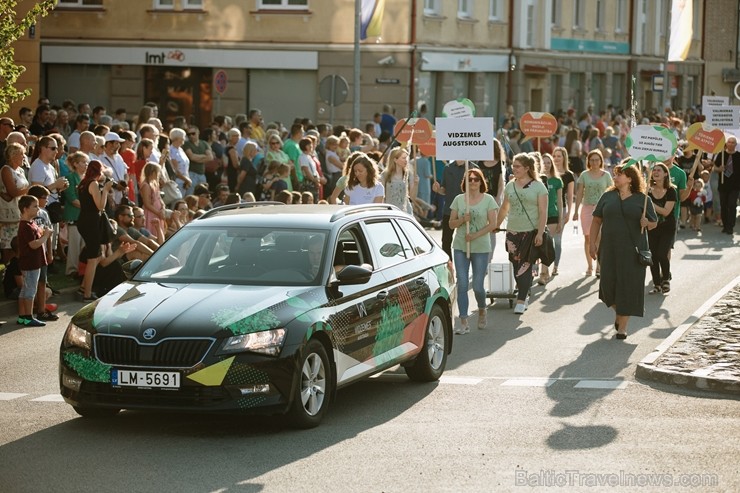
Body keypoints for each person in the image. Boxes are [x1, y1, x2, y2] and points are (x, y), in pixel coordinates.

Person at [590, 163, 658, 340]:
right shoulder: (608, 196)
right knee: (607, 285)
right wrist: (592, 243)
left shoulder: (643, 200)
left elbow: (654, 223)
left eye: (619, 174)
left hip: (633, 250)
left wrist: (646, 223)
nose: (615, 177)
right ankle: (620, 312)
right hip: (609, 248)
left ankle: (622, 328)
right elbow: (597, 220)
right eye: (615, 174)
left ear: (629, 178)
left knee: (628, 287)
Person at [494, 153, 548, 315]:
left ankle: (521, 299)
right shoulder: (510, 185)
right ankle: (525, 291)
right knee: (515, 264)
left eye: (517, 166)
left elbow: (543, 211)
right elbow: (504, 207)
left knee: (524, 266)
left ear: (527, 168)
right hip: (512, 232)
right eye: (513, 166)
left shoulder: (539, 187)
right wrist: (496, 224)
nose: (514, 168)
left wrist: (540, 233)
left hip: (529, 233)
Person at [449, 168, 498, 333]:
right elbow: (451, 224)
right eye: (469, 179)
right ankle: (463, 321)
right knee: (462, 282)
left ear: (481, 181)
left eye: (476, 179)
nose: (473, 182)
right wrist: (463, 219)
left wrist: (476, 234)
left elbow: (493, 224)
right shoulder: (459, 199)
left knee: (477, 285)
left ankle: (482, 309)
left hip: (481, 247)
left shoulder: (489, 200)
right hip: (461, 246)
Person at [77, 160, 116, 302]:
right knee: (93, 259)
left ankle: (83, 287)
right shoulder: (92, 183)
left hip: (84, 220)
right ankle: (87, 294)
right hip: (91, 222)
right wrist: (105, 190)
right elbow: (100, 206)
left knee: (97, 255)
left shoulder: (83, 183)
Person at [573, 150, 613, 276]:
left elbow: (610, 193)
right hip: (587, 208)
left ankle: (599, 265)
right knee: (588, 237)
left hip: (602, 209)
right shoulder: (584, 175)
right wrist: (575, 211)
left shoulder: (606, 175)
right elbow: (579, 193)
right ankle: (589, 266)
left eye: (597, 159)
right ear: (588, 161)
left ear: (601, 161)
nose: (594, 162)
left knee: (599, 237)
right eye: (592, 160)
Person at [16, 195, 53, 327]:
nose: (38, 209)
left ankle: (22, 316)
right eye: (35, 206)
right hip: (30, 263)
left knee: (26, 289)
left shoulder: (32, 223)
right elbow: (33, 244)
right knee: (30, 290)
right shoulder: (25, 226)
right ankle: (28, 316)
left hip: (35, 261)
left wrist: (43, 233)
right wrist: (46, 236)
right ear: (25, 209)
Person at [433, 160, 479, 258]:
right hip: (449, 210)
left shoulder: (474, 168)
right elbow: (444, 190)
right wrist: (438, 190)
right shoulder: (447, 168)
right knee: (446, 241)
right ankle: (450, 268)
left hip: (468, 210)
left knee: (470, 241)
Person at [0, 142, 31, 264]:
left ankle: (14, 271)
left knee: (18, 243)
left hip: (20, 210)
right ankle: (5, 271)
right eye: (22, 154)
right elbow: (12, 191)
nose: (24, 157)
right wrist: (29, 189)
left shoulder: (20, 171)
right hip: (9, 213)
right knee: (9, 245)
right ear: (13, 156)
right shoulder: (6, 170)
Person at [537, 153, 563, 285]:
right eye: (544, 162)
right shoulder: (537, 179)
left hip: (552, 215)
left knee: (547, 243)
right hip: (538, 216)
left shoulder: (557, 181)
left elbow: (559, 201)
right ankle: (543, 271)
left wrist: (561, 220)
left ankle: (543, 272)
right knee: (539, 243)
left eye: (548, 162)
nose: (546, 165)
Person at [479, 139, 506, 261]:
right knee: (480, 229)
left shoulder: (500, 164)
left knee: (491, 230)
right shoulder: (480, 162)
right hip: (480, 199)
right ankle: (481, 257)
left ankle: (489, 259)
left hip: (494, 200)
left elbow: (501, 184)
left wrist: (497, 198)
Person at [552, 146, 575, 276]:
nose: (556, 159)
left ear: (564, 158)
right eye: (554, 156)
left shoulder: (568, 175)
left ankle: (555, 266)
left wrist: (569, 213)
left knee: (557, 239)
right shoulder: (547, 172)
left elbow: (570, 196)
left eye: (559, 156)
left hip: (561, 209)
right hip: (546, 209)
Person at [714, 135, 740, 235]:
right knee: (723, 205)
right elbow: (714, 168)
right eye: (729, 142)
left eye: (733, 142)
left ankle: (730, 226)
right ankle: (725, 225)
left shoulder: (738, 155)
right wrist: (719, 169)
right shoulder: (721, 155)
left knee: (732, 205)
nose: (730, 144)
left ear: (735, 145)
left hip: (735, 186)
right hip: (723, 185)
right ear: (726, 144)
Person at [381, 147, 414, 214]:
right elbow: (381, 196)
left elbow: (412, 197)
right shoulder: (385, 175)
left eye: (406, 158)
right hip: (390, 211)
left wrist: (416, 184)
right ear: (395, 160)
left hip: (405, 211)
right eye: (403, 158)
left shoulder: (408, 174)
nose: (406, 160)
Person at [139, 163, 166, 242]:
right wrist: (158, 213)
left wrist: (163, 208)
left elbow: (159, 198)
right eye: (158, 172)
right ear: (153, 172)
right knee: (152, 233)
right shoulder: (146, 185)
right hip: (151, 214)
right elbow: (147, 203)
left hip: (158, 213)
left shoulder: (155, 184)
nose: (159, 175)